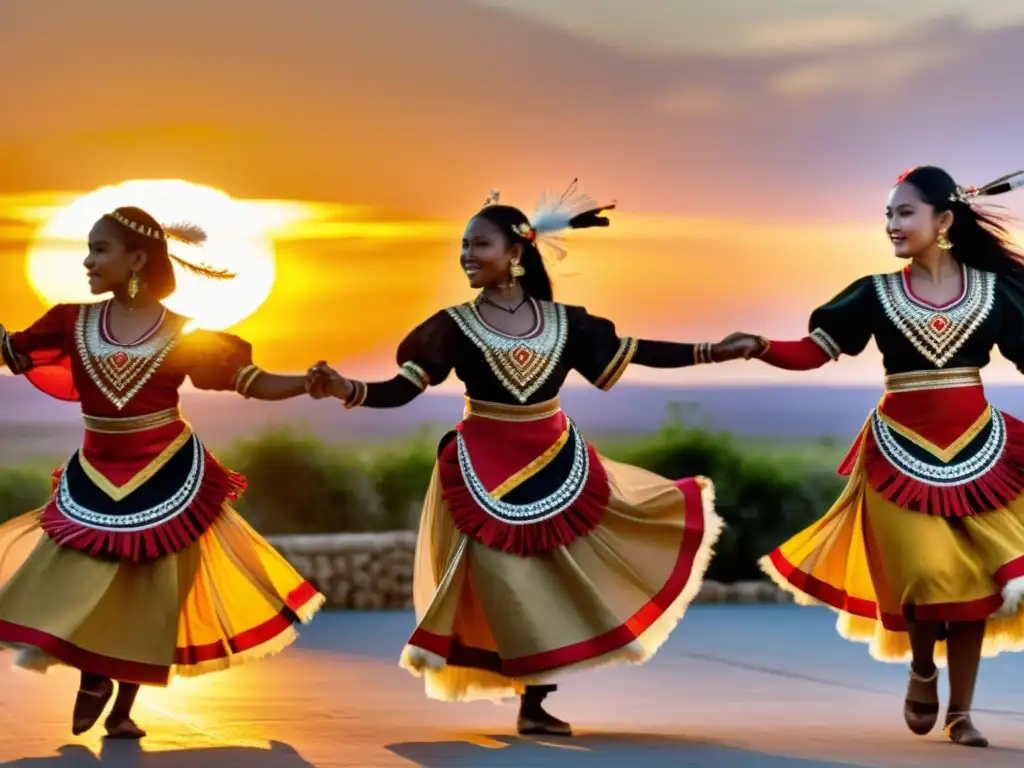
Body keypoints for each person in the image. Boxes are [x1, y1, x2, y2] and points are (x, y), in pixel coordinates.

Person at [306, 183, 761, 736]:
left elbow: (638, 351)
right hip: (483, 465)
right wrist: (346, 388)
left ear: (515, 253)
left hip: (554, 457)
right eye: (464, 246)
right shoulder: (450, 327)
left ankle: (535, 699)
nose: (467, 256)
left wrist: (714, 350)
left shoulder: (566, 323)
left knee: (548, 577)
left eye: (480, 245)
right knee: (508, 580)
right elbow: (402, 389)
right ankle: (526, 688)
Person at [0, 207, 326, 739]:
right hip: (97, 470)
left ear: (136, 259)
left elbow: (251, 381)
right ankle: (93, 677)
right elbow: (11, 352)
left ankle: (125, 704)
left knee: (150, 590)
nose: (87, 261)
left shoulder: (184, 334)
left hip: (165, 472)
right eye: (88, 249)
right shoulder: (69, 321)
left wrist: (306, 384)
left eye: (99, 249)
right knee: (83, 575)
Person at [728, 166, 1024, 748]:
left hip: (981, 452)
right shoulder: (874, 293)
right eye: (887, 214)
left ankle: (961, 712)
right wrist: (760, 346)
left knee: (973, 585)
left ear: (943, 221)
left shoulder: (994, 293)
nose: (891, 224)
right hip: (897, 453)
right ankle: (921, 665)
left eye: (903, 212)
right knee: (924, 573)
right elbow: (814, 353)